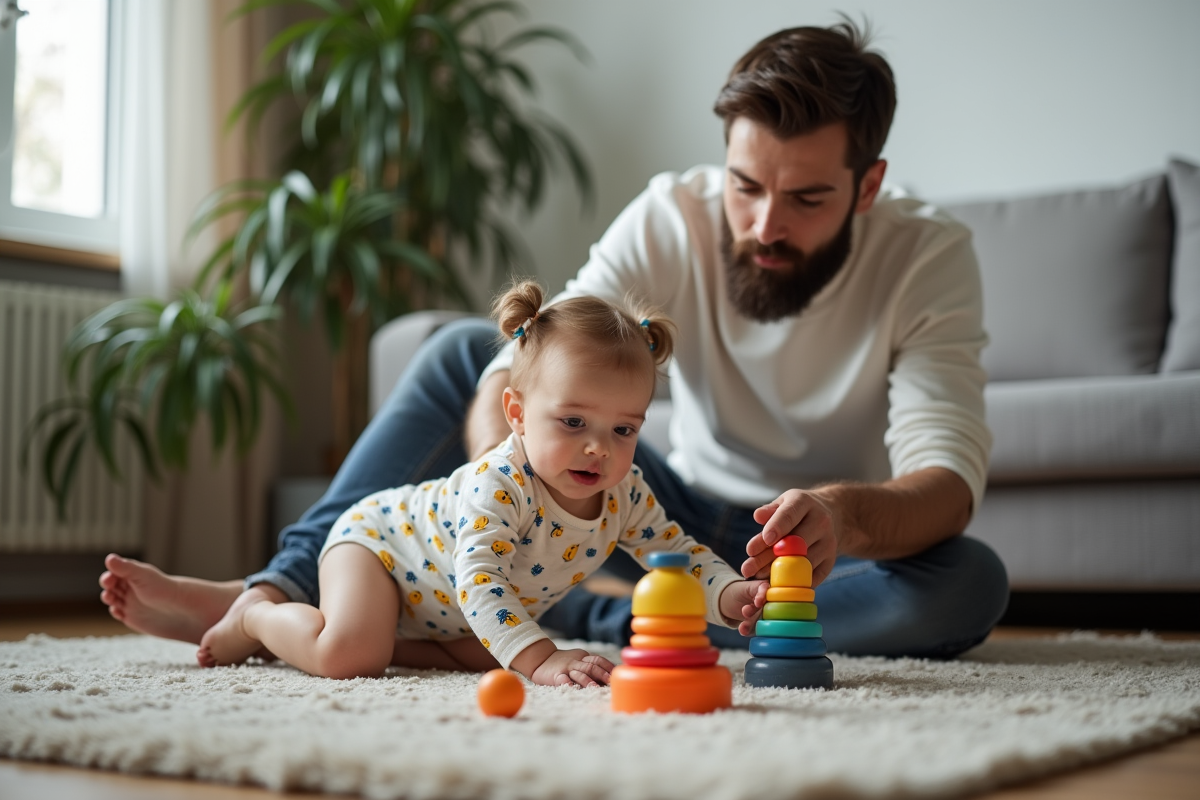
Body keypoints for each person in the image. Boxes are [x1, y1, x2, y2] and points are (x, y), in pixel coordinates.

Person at [100, 18, 1009, 662]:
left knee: (966, 582)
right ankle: (278, 588)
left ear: (868, 183)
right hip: (647, 492)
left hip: (804, 545)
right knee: (464, 348)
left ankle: (604, 618)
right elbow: (526, 359)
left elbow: (947, 479)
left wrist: (842, 516)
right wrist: (517, 487)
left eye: (807, 198)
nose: (764, 224)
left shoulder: (930, 257)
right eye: (744, 186)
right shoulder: (674, 211)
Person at [193, 282, 768, 685]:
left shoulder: (626, 492)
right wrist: (542, 659)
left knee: (495, 656)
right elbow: (480, 582)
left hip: (445, 613)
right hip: (382, 549)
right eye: (573, 422)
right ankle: (256, 618)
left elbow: (677, 555)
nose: (599, 447)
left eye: (623, 429)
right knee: (351, 656)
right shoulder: (502, 482)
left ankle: (396, 643)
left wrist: (725, 593)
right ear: (515, 413)